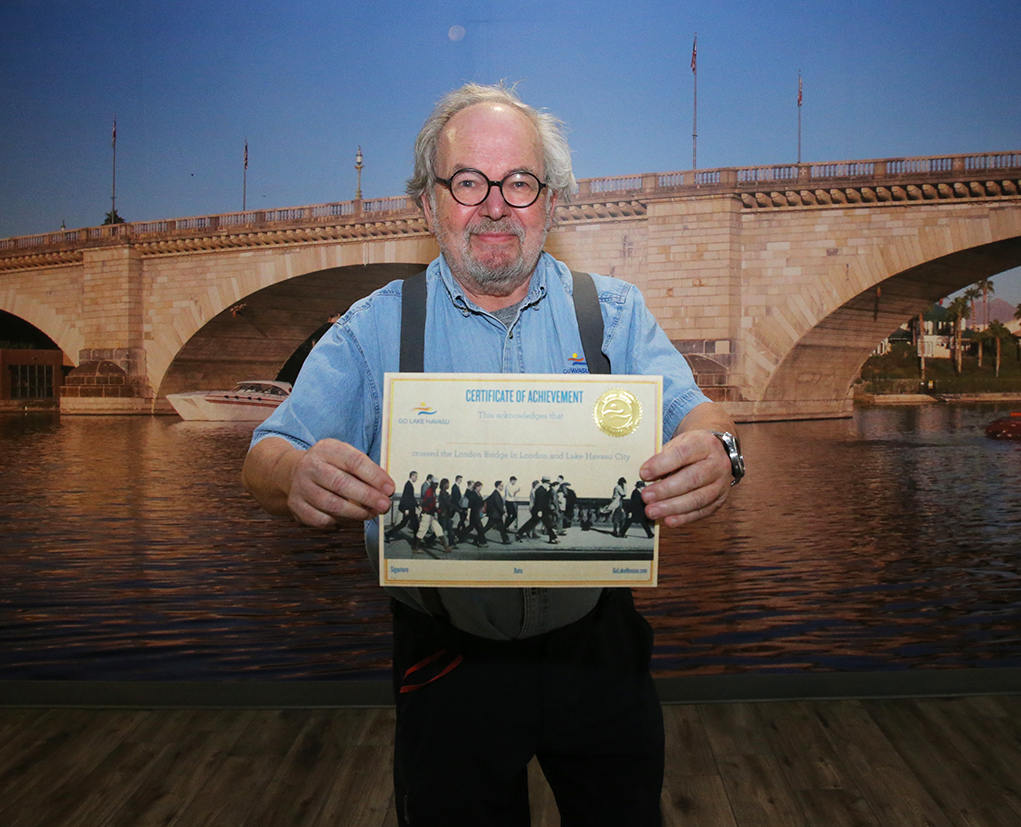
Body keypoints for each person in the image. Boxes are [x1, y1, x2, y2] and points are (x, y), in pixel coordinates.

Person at [242, 82, 742, 827]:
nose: (495, 205)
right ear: (427, 204)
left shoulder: (615, 313)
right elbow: (266, 451)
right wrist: (295, 477)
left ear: (553, 202)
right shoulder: (370, 329)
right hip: (448, 664)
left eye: (519, 182)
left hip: (597, 653)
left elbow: (702, 413)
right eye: (468, 182)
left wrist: (719, 451)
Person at [386, 470, 419, 540]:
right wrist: (406, 509)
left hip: (410, 509)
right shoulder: (408, 485)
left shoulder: (410, 484)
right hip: (409, 509)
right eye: (416, 477)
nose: (416, 478)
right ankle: (416, 543)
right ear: (412, 476)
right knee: (415, 525)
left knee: (403, 523)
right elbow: (406, 498)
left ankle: (389, 533)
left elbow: (412, 497)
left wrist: (417, 505)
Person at [483, 479, 511, 544]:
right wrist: (504, 512)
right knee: (488, 527)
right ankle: (478, 537)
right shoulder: (496, 494)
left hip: (495, 514)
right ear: (498, 486)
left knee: (501, 527)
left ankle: (505, 539)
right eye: (501, 486)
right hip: (495, 515)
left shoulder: (496, 493)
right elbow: (498, 505)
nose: (502, 487)